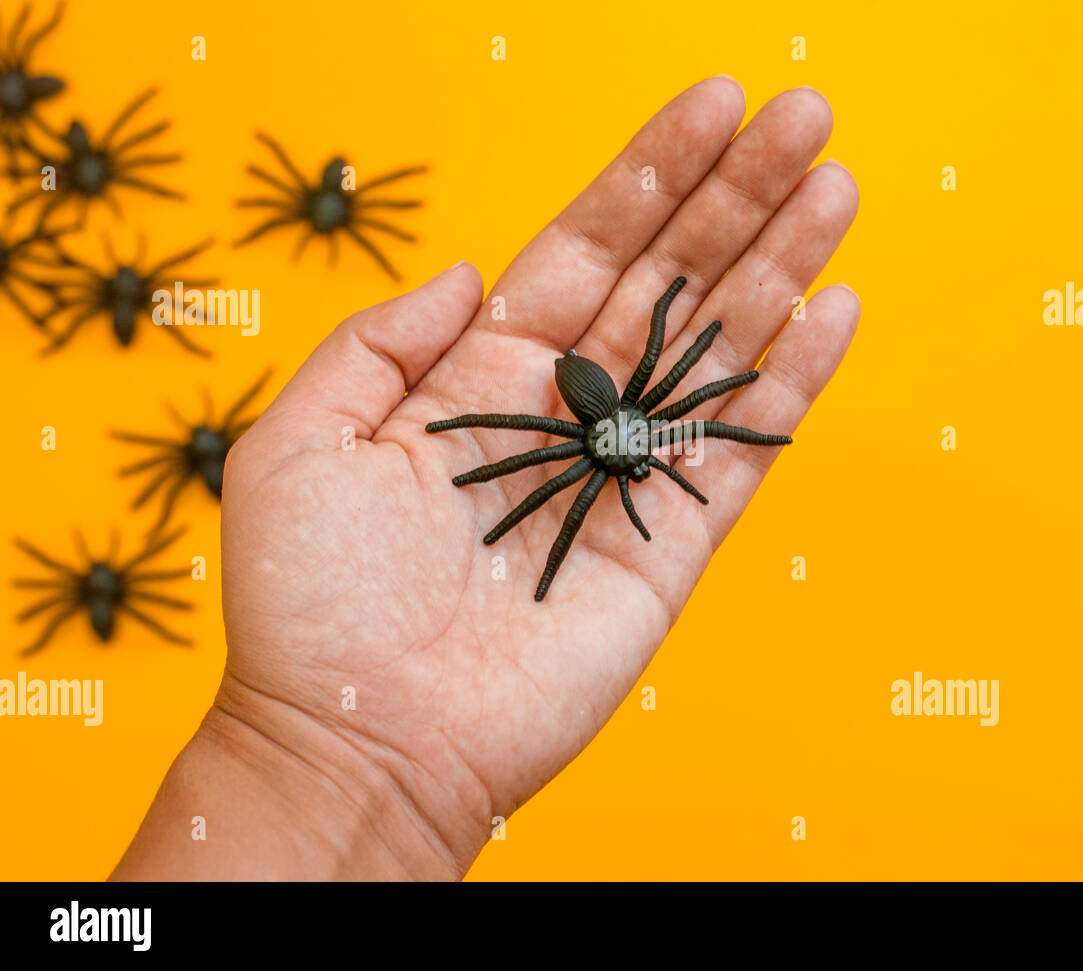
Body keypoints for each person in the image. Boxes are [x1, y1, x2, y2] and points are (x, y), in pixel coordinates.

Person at [112, 77, 859, 880]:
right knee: (546, 454)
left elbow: (692, 386)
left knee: (702, 406)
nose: (642, 465)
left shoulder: (637, 427)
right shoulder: (571, 446)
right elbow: (524, 451)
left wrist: (711, 353)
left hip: (611, 403)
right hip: (592, 401)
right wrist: (461, 437)